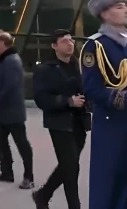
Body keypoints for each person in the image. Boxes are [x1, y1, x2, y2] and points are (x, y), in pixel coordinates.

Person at [79, 0, 127, 209]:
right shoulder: (96, 45)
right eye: (119, 6)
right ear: (105, 14)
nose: (126, 9)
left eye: (125, 5)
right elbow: (92, 89)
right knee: (107, 182)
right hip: (110, 126)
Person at [32, 29, 89, 209]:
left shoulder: (82, 67)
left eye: (71, 40)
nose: (70, 43)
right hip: (60, 124)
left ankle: (43, 195)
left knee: (68, 166)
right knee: (71, 168)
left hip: (80, 123)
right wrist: (68, 101)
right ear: (54, 46)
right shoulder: (45, 70)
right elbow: (41, 99)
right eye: (64, 41)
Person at [0, 30, 34, 190]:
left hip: (12, 110)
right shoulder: (4, 59)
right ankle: (7, 172)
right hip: (5, 110)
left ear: (3, 43)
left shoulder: (11, 60)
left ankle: (29, 176)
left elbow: (10, 86)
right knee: (1, 141)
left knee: (22, 143)